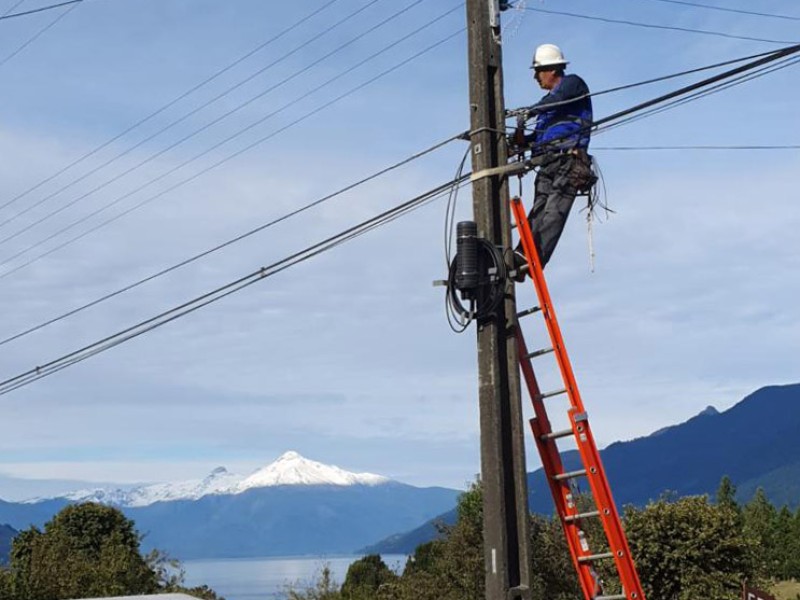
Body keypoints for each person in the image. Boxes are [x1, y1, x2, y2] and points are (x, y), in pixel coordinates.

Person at [511, 43, 596, 275]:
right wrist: (518, 138)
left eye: (538, 71)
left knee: (553, 212)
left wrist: (528, 112)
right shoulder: (546, 110)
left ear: (552, 69)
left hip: (569, 161)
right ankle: (521, 255)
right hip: (547, 163)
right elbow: (536, 139)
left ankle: (535, 257)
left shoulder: (573, 84)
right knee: (538, 211)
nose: (535, 77)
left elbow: (558, 99)